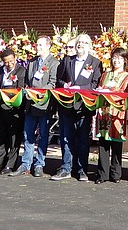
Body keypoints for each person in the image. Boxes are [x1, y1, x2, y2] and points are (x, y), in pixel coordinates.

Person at [52, 34, 103, 181]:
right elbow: (59, 79)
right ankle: (66, 168)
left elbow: (95, 84)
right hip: (67, 105)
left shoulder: (96, 63)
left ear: (89, 46)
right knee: (66, 138)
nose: (80, 45)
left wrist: (79, 87)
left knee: (82, 140)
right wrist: (65, 85)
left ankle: (82, 169)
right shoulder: (67, 60)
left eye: (84, 42)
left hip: (84, 107)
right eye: (79, 42)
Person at [10, 36, 60, 177]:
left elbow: (53, 84)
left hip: (44, 105)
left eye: (40, 45)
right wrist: (27, 91)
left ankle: (39, 164)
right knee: (28, 135)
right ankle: (25, 164)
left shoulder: (54, 63)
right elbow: (27, 82)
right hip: (30, 104)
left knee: (43, 135)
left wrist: (38, 93)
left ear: (48, 46)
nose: (37, 47)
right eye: (36, 45)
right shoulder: (31, 62)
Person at [94, 47, 128, 184]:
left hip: (117, 112)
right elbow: (99, 88)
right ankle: (102, 174)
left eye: (120, 58)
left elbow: (124, 91)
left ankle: (116, 173)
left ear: (125, 60)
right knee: (103, 144)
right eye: (114, 58)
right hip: (104, 111)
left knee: (116, 144)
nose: (117, 61)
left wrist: (109, 91)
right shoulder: (105, 74)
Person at [0, 49, 26, 174]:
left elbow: (20, 89)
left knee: (14, 138)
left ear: (15, 58)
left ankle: (10, 165)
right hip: (2, 108)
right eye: (6, 62)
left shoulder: (21, 71)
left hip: (15, 109)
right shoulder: (0, 71)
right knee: (1, 137)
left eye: (11, 61)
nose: (9, 64)